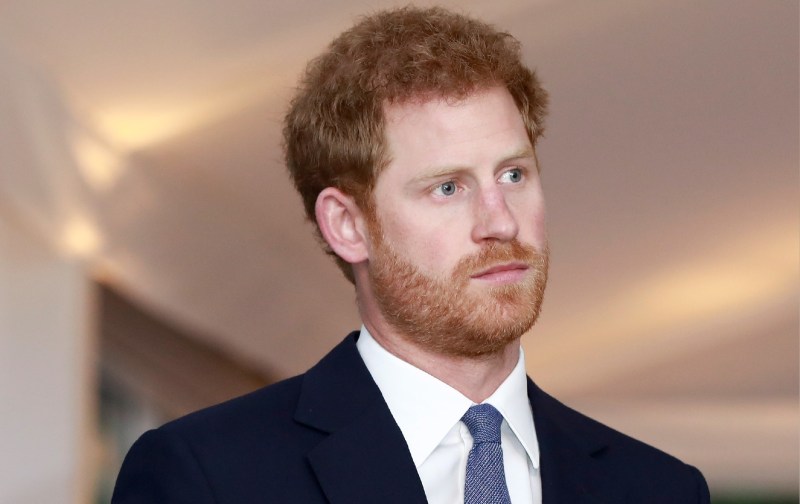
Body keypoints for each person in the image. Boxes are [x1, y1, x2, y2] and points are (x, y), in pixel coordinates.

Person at [112, 6, 710, 503]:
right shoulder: (209, 476)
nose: (500, 221)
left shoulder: (658, 488)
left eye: (513, 174)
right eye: (448, 188)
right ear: (347, 225)